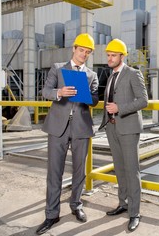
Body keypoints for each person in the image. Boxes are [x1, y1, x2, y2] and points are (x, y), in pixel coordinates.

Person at [36, 33, 99, 235]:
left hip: (81, 127)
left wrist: (88, 97)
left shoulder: (92, 75)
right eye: (82, 50)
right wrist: (59, 93)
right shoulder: (58, 68)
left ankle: (76, 205)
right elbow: (45, 91)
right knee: (54, 172)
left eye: (88, 52)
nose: (84, 55)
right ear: (74, 49)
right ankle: (51, 214)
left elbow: (95, 99)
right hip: (58, 128)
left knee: (79, 171)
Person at [98, 38, 148, 232]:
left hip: (128, 128)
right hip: (112, 128)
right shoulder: (111, 76)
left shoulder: (133, 74)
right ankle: (123, 203)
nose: (109, 58)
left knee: (132, 171)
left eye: (113, 55)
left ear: (122, 56)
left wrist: (120, 108)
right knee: (119, 169)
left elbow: (143, 100)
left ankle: (134, 213)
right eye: (108, 55)